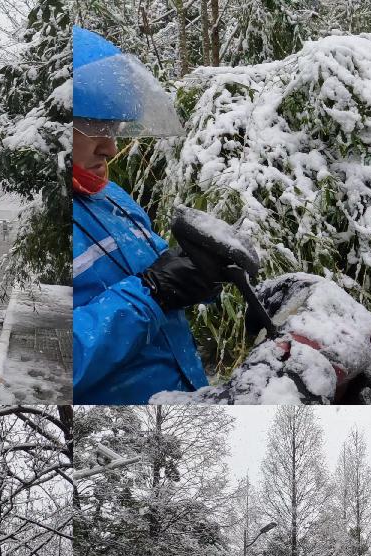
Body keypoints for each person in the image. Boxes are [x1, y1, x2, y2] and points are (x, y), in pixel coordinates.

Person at [72, 27, 233, 404]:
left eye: (113, 127)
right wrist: (153, 293)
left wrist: (199, 273)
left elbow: (160, 278)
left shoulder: (112, 197)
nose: (110, 147)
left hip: (184, 396)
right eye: (94, 126)